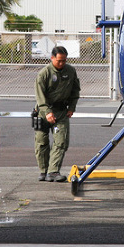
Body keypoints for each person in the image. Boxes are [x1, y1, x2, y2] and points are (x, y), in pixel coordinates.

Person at [34, 46, 80, 182]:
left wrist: (72, 107)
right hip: (43, 112)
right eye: (59, 61)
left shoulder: (71, 71)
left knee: (61, 142)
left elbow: (75, 91)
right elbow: (40, 96)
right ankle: (44, 170)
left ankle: (53, 171)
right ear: (52, 58)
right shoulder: (44, 73)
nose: (61, 63)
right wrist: (47, 112)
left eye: (64, 61)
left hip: (61, 112)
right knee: (41, 142)